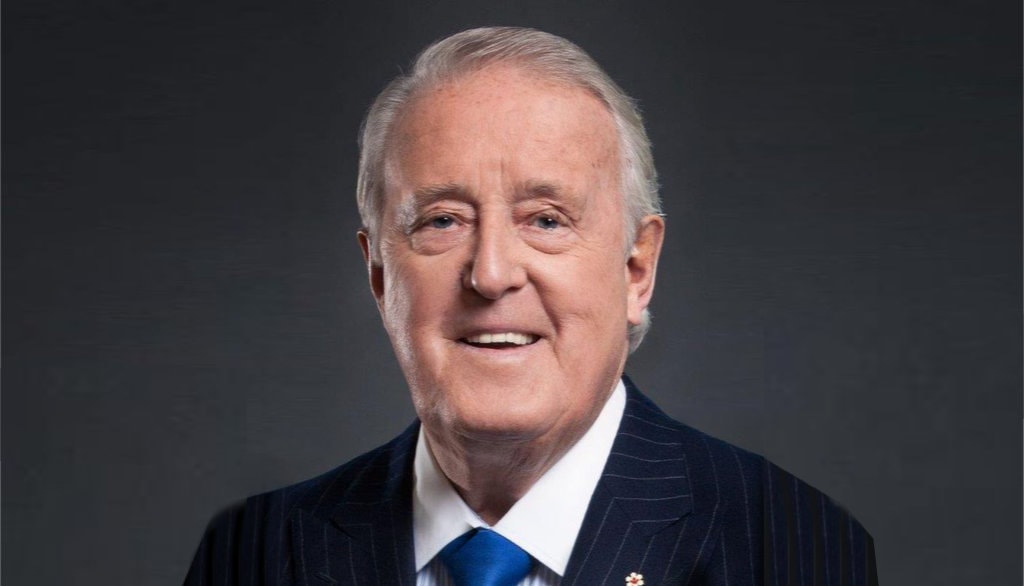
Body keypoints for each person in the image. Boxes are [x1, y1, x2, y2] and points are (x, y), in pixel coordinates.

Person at [185, 27, 876, 585]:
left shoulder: (786, 547)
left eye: (546, 220)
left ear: (636, 270)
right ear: (379, 275)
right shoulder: (253, 556)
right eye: (442, 221)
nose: (490, 275)